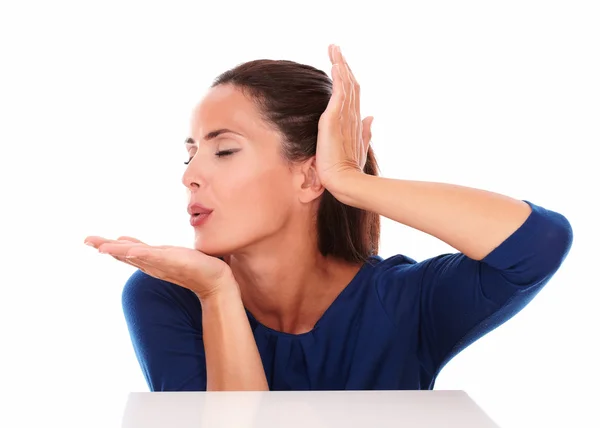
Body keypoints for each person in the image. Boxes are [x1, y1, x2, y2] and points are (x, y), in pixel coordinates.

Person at [84, 44, 573, 392]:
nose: (189, 175)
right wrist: (216, 294)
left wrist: (349, 180)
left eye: (224, 150)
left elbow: (539, 243)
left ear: (308, 178)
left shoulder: (403, 302)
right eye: (189, 154)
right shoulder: (169, 296)